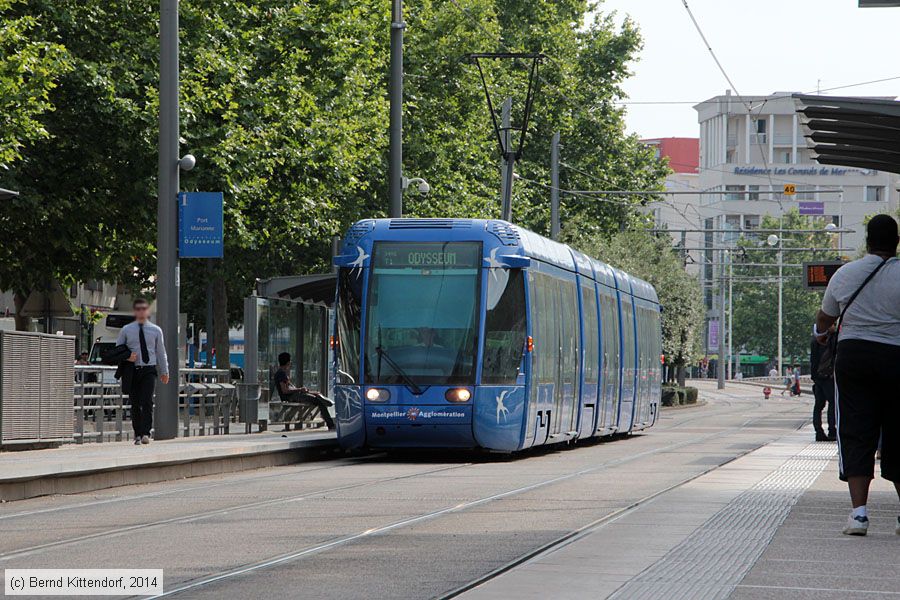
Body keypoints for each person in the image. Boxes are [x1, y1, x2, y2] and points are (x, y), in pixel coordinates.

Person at [815, 214, 900, 537]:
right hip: (897, 357)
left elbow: (826, 317)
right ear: (897, 242)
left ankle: (859, 514)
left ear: (867, 242)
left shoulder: (845, 274)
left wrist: (821, 333)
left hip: (855, 359)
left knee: (855, 430)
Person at [116, 297, 169, 445]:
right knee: (135, 402)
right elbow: (118, 350)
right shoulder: (126, 330)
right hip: (132, 369)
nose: (141, 312)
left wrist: (165, 371)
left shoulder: (156, 330)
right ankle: (137, 433)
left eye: (144, 309)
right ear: (135, 311)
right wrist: (127, 356)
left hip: (149, 369)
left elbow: (161, 352)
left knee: (147, 400)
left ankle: (146, 432)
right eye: (138, 309)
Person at [274, 352, 335, 430]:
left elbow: (290, 388)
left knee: (317, 396)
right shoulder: (281, 374)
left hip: (294, 395)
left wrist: (308, 392)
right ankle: (330, 424)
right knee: (319, 401)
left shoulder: (282, 373)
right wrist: (300, 389)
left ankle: (324, 402)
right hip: (290, 397)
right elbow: (285, 390)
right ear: (288, 362)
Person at [810, 326, 836, 442]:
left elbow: (813, 361)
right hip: (828, 377)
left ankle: (819, 432)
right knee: (832, 403)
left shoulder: (814, 341)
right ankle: (832, 430)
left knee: (818, 405)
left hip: (817, 378)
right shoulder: (832, 340)